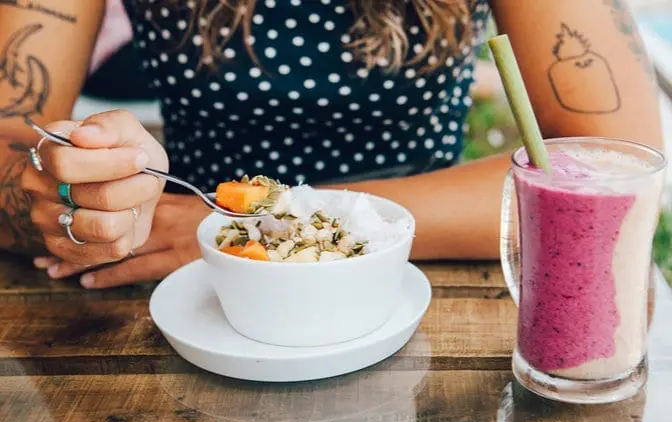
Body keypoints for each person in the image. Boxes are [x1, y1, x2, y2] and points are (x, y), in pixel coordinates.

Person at [0, 0, 663, 289]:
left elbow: (620, 168)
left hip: (430, 277)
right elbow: (10, 150)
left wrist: (279, 222)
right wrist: (77, 189)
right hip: (182, 272)